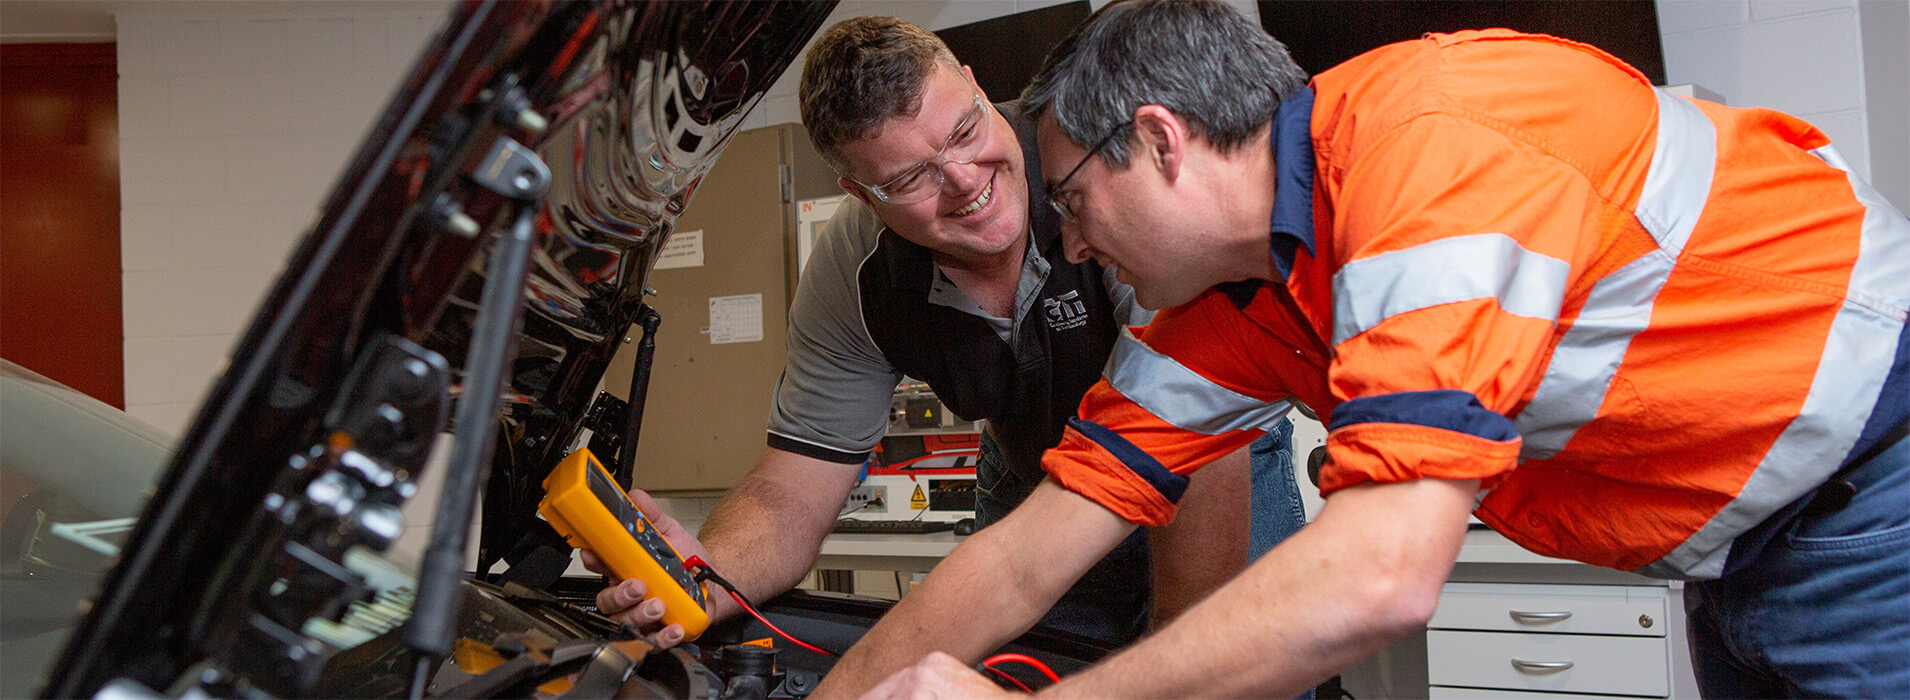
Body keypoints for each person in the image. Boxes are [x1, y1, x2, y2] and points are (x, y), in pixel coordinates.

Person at [820, 1, 1910, 697]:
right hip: (1739, 558)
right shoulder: (1233, 301)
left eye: (1069, 199)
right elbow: (1021, 553)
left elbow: (1381, 575)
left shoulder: (1423, 154)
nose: (1065, 239)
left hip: (1873, 502)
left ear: (1156, 141)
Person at [587, 15, 1308, 651]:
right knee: (1034, 674)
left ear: (973, 83)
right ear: (861, 195)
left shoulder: (1098, 174)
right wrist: (705, 578)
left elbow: (1201, 441)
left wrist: (1184, 665)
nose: (964, 181)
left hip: (1214, 457)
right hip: (1039, 470)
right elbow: (791, 491)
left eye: (965, 130)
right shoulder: (854, 275)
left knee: (1233, 663)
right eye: (910, 178)